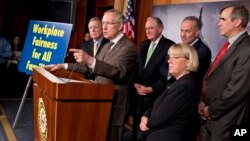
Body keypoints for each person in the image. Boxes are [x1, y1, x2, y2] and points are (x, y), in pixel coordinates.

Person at [45, 9, 137, 141]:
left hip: (114, 104)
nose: (104, 27)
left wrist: (89, 59)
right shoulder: (107, 46)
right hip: (99, 99)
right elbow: (90, 68)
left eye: (108, 23)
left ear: (120, 26)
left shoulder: (128, 48)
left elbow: (118, 72)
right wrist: (63, 66)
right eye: (103, 23)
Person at [199, 4, 250, 141]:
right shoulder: (228, 45)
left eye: (223, 19)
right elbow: (213, 79)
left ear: (237, 22)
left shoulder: (247, 48)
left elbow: (236, 90)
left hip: (229, 122)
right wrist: (202, 102)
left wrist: (211, 110)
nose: (218, 23)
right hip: (210, 121)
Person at [139, 43, 199, 141]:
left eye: (175, 57)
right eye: (169, 57)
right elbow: (156, 105)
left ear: (188, 62)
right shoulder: (177, 82)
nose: (169, 61)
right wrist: (145, 116)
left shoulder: (184, 86)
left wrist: (146, 122)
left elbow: (160, 115)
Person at [131, 16, 175, 140]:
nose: (147, 31)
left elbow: (167, 76)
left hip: (154, 98)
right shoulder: (144, 44)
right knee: (136, 129)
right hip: (138, 95)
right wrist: (135, 83)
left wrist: (152, 89)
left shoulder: (169, 46)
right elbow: (137, 68)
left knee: (148, 132)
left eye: (151, 28)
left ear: (160, 29)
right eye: (146, 29)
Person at [180, 16, 211, 99]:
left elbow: (183, 71)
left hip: (190, 97)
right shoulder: (182, 47)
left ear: (197, 32)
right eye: (181, 30)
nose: (182, 35)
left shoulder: (203, 51)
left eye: (187, 31)